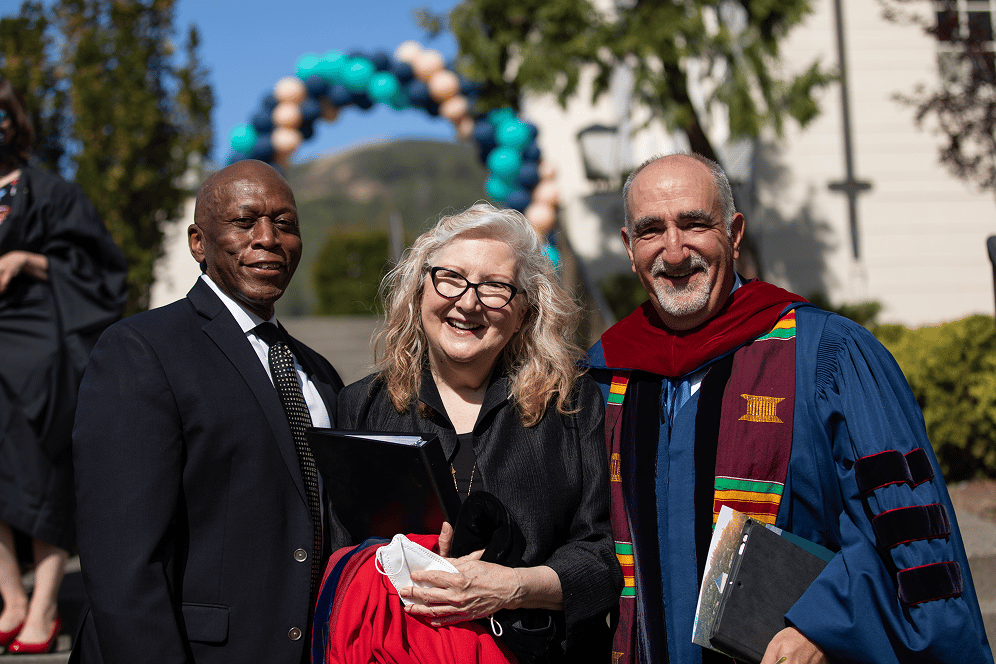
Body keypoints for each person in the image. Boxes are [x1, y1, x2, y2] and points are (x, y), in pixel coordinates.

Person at [586, 152, 994, 664]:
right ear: (628, 247)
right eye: (651, 230)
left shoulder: (826, 356)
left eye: (694, 224)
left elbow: (905, 537)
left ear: (734, 234)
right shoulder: (605, 376)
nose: (674, 250)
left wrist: (826, 624)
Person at [71, 159, 349, 663]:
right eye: (245, 222)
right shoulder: (141, 351)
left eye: (285, 224)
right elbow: (123, 563)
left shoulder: (321, 375)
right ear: (198, 242)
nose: (268, 237)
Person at [333, 202, 621, 662]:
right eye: (450, 277)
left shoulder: (574, 403)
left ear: (526, 311)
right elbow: (343, 552)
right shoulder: (362, 406)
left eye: (495, 288)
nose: (467, 302)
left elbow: (604, 559)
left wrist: (512, 588)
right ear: (419, 289)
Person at [0, 78, 127, 655]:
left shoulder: (48, 192)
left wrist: (27, 260)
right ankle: (12, 598)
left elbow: (104, 272)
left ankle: (46, 602)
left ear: (12, 122)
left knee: (40, 474)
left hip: (38, 354)